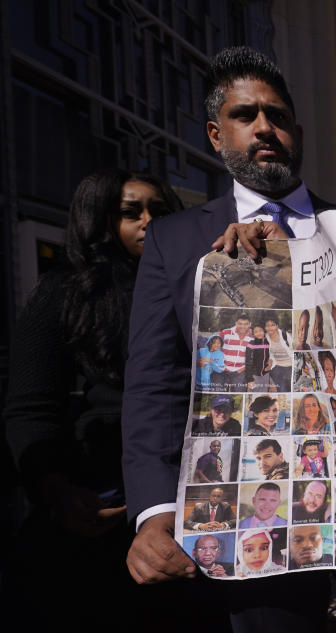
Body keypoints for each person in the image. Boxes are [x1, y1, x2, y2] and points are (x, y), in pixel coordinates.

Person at [2, 169, 182, 630]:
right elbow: (30, 407)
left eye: (160, 212)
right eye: (131, 212)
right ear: (98, 220)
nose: (149, 221)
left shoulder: (198, 287)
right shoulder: (65, 292)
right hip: (97, 509)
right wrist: (56, 489)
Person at [217, 314, 254, 390]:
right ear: (236, 323)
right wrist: (220, 365)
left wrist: (244, 368)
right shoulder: (225, 333)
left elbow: (254, 355)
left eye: (246, 324)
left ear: (250, 324)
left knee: (239, 394)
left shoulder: (253, 336)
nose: (242, 326)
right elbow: (215, 348)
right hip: (223, 369)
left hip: (240, 371)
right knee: (219, 394)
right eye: (240, 324)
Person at [264, 318, 293, 391]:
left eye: (272, 325)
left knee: (291, 389)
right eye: (267, 325)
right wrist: (270, 360)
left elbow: (294, 350)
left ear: (277, 326)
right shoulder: (265, 337)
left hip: (291, 367)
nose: (270, 328)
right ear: (265, 327)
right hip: (277, 369)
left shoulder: (284, 335)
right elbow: (269, 353)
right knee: (282, 390)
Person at [244, 324, 271, 391]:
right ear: (253, 334)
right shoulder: (251, 344)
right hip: (254, 376)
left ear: (264, 331)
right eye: (256, 332)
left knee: (264, 392)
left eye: (260, 330)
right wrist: (250, 379)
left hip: (265, 375)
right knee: (255, 393)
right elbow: (248, 362)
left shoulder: (269, 343)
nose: (259, 333)